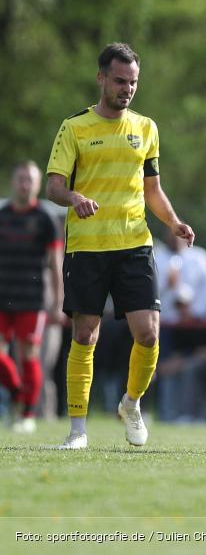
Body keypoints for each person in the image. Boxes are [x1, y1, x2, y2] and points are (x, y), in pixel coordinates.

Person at [45, 43, 194, 449]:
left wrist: (174, 222)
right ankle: (77, 431)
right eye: (119, 81)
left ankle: (131, 403)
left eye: (133, 82)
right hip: (87, 247)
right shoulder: (74, 127)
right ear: (101, 79)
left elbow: (153, 190)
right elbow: (53, 186)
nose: (127, 89)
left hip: (134, 244)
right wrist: (75, 198)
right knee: (85, 336)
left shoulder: (146, 128)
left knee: (149, 334)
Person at [0, 161, 63, 433]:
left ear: (37, 185)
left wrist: (58, 302)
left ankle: (27, 415)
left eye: (30, 180)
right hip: (3, 296)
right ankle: (17, 393)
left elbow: (55, 264)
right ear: (13, 182)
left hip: (32, 299)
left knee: (30, 356)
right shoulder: (2, 215)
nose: (25, 184)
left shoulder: (46, 219)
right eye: (21, 179)